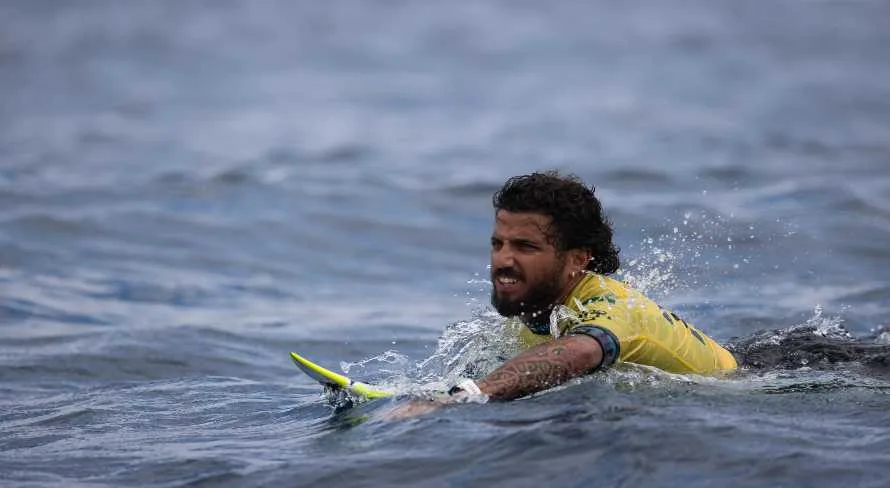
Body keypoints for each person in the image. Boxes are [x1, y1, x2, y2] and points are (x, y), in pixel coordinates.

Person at [391, 171, 736, 416]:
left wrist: (465, 398)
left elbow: (580, 351)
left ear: (578, 259)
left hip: (749, 382)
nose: (502, 260)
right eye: (498, 244)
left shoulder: (611, 306)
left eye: (524, 246)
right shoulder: (536, 306)